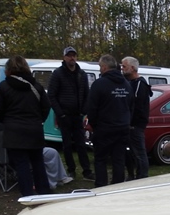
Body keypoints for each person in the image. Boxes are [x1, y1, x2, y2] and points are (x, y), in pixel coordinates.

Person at [0, 56, 52, 197]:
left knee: (21, 164)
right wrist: (39, 120)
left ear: (8, 69)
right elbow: (46, 106)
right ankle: (44, 191)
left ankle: (28, 194)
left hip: (14, 130)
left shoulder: (4, 86)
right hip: (34, 129)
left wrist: (6, 121)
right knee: (38, 162)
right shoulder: (36, 86)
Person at [87, 54, 133, 187]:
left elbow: (92, 108)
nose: (100, 69)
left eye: (100, 66)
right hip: (122, 128)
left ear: (104, 67)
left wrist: (94, 125)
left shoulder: (99, 84)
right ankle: (117, 186)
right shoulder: (126, 84)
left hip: (104, 129)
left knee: (100, 159)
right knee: (118, 159)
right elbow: (131, 106)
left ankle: (101, 186)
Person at [47, 47, 92, 180]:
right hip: (64, 115)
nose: (72, 58)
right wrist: (60, 113)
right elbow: (51, 95)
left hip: (78, 115)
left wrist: (84, 111)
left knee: (81, 144)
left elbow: (87, 94)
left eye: (74, 55)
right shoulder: (58, 74)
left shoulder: (81, 74)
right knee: (67, 145)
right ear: (64, 57)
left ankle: (87, 171)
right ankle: (71, 170)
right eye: (69, 55)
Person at [121, 56, 152, 180]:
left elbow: (137, 106)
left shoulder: (140, 84)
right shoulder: (128, 83)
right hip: (128, 124)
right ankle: (131, 175)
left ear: (133, 68)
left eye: (124, 66)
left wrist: (131, 122)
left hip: (136, 125)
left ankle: (142, 176)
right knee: (129, 152)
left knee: (139, 153)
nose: (122, 69)